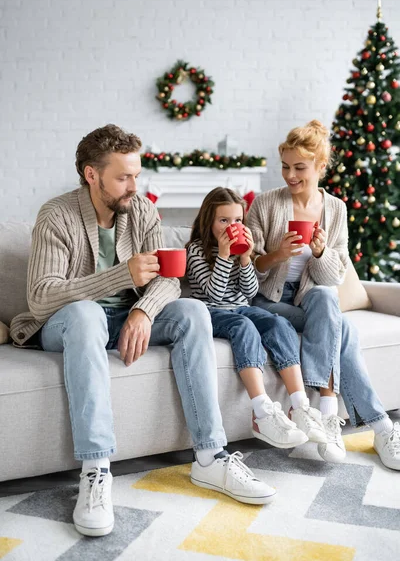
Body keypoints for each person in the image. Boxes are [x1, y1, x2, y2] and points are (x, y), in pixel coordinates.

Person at [10, 125, 275, 538]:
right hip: (68, 323)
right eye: (123, 177)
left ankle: (210, 456)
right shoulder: (56, 214)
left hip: (129, 319)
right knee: (85, 315)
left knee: (191, 311)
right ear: (91, 175)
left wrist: (144, 311)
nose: (135, 186)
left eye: (137, 174)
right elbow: (42, 297)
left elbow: (169, 280)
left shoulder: (143, 212)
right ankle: (97, 470)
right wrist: (120, 275)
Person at [247, 119, 400, 469]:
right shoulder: (266, 203)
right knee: (341, 329)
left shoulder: (336, 210)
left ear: (320, 166)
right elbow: (249, 266)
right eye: (285, 166)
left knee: (326, 300)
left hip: (310, 298)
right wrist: (278, 255)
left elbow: (334, 276)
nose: (290, 175)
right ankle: (377, 425)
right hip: (268, 300)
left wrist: (319, 253)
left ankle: (328, 414)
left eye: (299, 168)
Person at [186, 187, 327, 453]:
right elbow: (213, 293)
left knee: (278, 323)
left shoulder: (242, 251)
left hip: (241, 307)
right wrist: (225, 257)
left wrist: (244, 258)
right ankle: (261, 411)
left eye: (238, 220)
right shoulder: (196, 250)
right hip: (211, 311)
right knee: (244, 326)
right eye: (224, 220)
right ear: (209, 221)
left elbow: (250, 292)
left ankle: (300, 406)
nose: (232, 226)